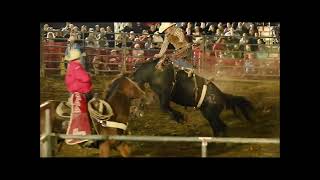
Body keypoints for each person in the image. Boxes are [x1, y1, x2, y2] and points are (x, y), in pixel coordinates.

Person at [64, 49, 93, 145]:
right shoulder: (76, 66)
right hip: (80, 93)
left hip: (76, 91)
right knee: (83, 111)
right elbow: (85, 78)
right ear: (78, 58)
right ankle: (82, 134)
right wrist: (88, 75)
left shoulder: (71, 66)